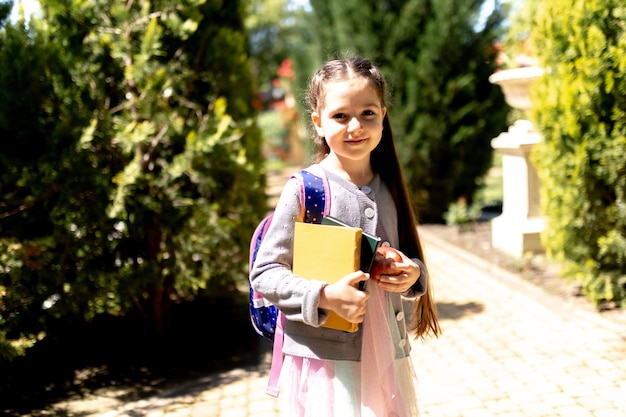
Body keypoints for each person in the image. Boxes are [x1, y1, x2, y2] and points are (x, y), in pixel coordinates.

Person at [250, 56, 440, 417]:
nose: (356, 126)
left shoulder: (389, 187)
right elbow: (265, 273)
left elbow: (406, 259)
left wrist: (412, 274)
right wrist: (323, 295)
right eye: (340, 116)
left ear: (383, 116)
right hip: (326, 364)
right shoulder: (307, 189)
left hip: (386, 354)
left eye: (368, 113)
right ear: (318, 123)